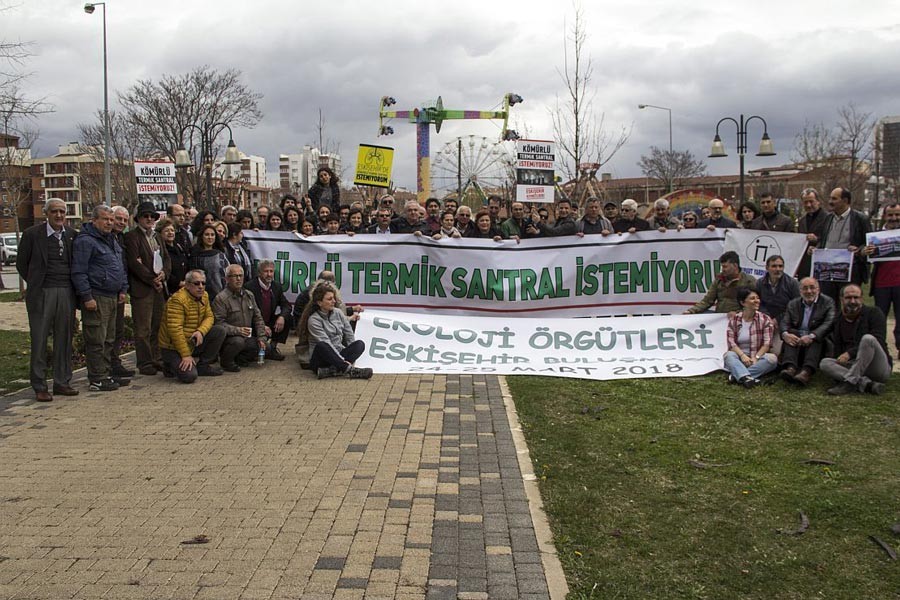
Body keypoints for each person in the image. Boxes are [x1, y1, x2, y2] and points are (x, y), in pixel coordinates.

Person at [16, 198, 79, 401]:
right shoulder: (32, 235)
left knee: (64, 338)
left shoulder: (71, 235)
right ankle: (40, 384)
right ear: (46, 213)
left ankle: (62, 381)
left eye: (62, 211)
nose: (59, 215)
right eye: (54, 211)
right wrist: (35, 283)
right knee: (40, 339)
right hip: (42, 292)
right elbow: (21, 264)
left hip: (66, 292)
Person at [72, 205, 130, 392]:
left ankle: (106, 373)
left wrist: (122, 288)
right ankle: (97, 378)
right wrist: (87, 296)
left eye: (111, 220)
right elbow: (79, 271)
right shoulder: (86, 241)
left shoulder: (111, 239)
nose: (109, 223)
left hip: (113, 296)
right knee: (96, 338)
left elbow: (119, 266)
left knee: (109, 339)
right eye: (105, 219)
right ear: (94, 220)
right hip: (97, 296)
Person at [124, 201, 171, 376]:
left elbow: (166, 258)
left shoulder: (157, 236)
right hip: (143, 289)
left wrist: (164, 274)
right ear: (138, 219)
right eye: (145, 216)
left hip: (159, 288)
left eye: (152, 216)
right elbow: (134, 263)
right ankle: (144, 362)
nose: (149, 219)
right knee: (143, 328)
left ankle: (157, 358)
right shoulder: (132, 237)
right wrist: (152, 279)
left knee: (158, 325)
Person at [819, 284, 891, 396]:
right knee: (825, 363)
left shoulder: (874, 313)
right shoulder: (838, 319)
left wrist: (849, 353)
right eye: (848, 298)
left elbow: (879, 340)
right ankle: (867, 384)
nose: (852, 301)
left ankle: (850, 382)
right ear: (841, 299)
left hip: (875, 366)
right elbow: (831, 339)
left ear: (862, 299)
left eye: (856, 297)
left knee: (868, 339)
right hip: (852, 365)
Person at [158, 269, 226, 382]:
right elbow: (175, 330)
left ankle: (203, 366)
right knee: (189, 376)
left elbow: (209, 317)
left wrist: (200, 331)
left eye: (203, 283)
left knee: (219, 331)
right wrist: (185, 355)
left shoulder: (204, 296)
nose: (201, 286)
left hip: (192, 340)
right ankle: (169, 365)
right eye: (196, 283)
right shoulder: (177, 301)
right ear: (187, 285)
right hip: (173, 347)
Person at [299, 283, 372, 379]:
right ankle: (350, 371)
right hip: (321, 360)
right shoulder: (314, 320)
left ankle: (332, 371)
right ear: (319, 303)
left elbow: (349, 333)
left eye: (333, 298)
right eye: (329, 299)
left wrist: (350, 352)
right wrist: (342, 361)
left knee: (359, 344)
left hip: (338, 353)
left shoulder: (338, 312)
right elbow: (326, 342)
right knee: (322, 345)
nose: (334, 301)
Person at [818, 186, 871, 304]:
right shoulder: (827, 218)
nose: (830, 202)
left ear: (845, 201)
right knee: (828, 303)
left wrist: (859, 250)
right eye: (830, 198)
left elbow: (868, 243)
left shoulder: (860, 219)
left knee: (849, 303)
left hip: (850, 271)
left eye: (834, 199)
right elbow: (823, 240)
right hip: (828, 270)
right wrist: (816, 248)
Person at [779, 277, 836, 386]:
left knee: (817, 337)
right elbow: (785, 322)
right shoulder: (793, 303)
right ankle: (790, 368)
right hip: (798, 339)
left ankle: (806, 372)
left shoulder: (828, 302)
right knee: (791, 334)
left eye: (812, 288)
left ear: (818, 289)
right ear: (800, 291)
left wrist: (811, 336)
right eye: (805, 288)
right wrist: (785, 334)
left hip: (817, 341)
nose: (809, 291)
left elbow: (828, 323)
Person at [212, 264, 267, 372]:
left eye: (240, 276)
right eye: (234, 276)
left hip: (247, 336)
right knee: (238, 342)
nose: (238, 279)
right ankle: (226, 362)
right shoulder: (221, 298)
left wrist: (261, 338)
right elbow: (218, 323)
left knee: (265, 347)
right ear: (227, 279)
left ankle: (240, 358)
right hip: (229, 338)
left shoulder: (249, 295)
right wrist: (238, 330)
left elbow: (258, 318)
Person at [864, 202, 900, 358]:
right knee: (879, 319)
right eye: (890, 214)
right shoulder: (876, 235)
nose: (894, 218)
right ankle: (880, 350)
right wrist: (866, 252)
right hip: (881, 284)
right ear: (884, 216)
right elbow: (867, 258)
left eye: (897, 214)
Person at [723, 288, 778, 388]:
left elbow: (767, 343)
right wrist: (743, 356)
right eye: (752, 298)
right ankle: (746, 377)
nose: (757, 301)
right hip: (739, 356)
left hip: (757, 356)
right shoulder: (735, 320)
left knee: (772, 359)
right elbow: (731, 342)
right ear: (743, 302)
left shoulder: (765, 319)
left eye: (757, 298)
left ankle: (738, 376)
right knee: (728, 355)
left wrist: (756, 357)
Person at [245, 258, 293, 360]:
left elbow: (287, 306)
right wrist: (262, 326)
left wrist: (282, 317)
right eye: (266, 271)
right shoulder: (249, 287)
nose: (269, 274)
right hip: (253, 324)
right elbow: (247, 313)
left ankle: (273, 347)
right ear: (259, 273)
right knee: (252, 351)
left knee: (288, 318)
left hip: (269, 322)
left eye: (271, 271)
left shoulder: (276, 286)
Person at [685, 251, 756, 314]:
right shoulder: (719, 279)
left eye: (725, 267)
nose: (723, 269)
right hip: (719, 318)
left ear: (735, 266)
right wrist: (691, 311)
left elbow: (754, 304)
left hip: (739, 318)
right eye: (722, 267)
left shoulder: (749, 281)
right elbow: (707, 301)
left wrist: (738, 313)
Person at [110, 206, 134, 379]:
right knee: (106, 332)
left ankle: (114, 362)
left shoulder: (122, 239)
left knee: (118, 330)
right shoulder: (104, 238)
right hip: (103, 291)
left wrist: (124, 289)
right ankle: (106, 366)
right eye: (118, 218)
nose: (121, 223)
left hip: (120, 291)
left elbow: (123, 267)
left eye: (125, 220)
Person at [188, 223, 229, 300]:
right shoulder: (195, 255)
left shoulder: (220, 255)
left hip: (220, 295)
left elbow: (226, 274)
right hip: (200, 295)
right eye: (207, 235)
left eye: (212, 235)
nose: (210, 237)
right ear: (202, 236)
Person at [755, 254, 800, 325]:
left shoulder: (793, 283)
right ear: (767, 268)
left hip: (786, 321)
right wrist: (767, 317)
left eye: (780, 266)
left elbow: (796, 306)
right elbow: (757, 302)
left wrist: (777, 320)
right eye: (774, 266)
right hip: (763, 319)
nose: (778, 269)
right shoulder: (759, 283)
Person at [797, 188, 829, 278]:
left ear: (818, 201)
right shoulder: (802, 221)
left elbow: (832, 238)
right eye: (805, 202)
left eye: (811, 201)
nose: (808, 205)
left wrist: (817, 239)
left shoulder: (828, 218)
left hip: (822, 264)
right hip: (805, 266)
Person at [157, 217, 187, 296]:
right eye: (167, 230)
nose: (170, 233)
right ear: (160, 233)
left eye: (172, 230)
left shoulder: (179, 247)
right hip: (169, 290)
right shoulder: (159, 250)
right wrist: (178, 283)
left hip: (184, 289)